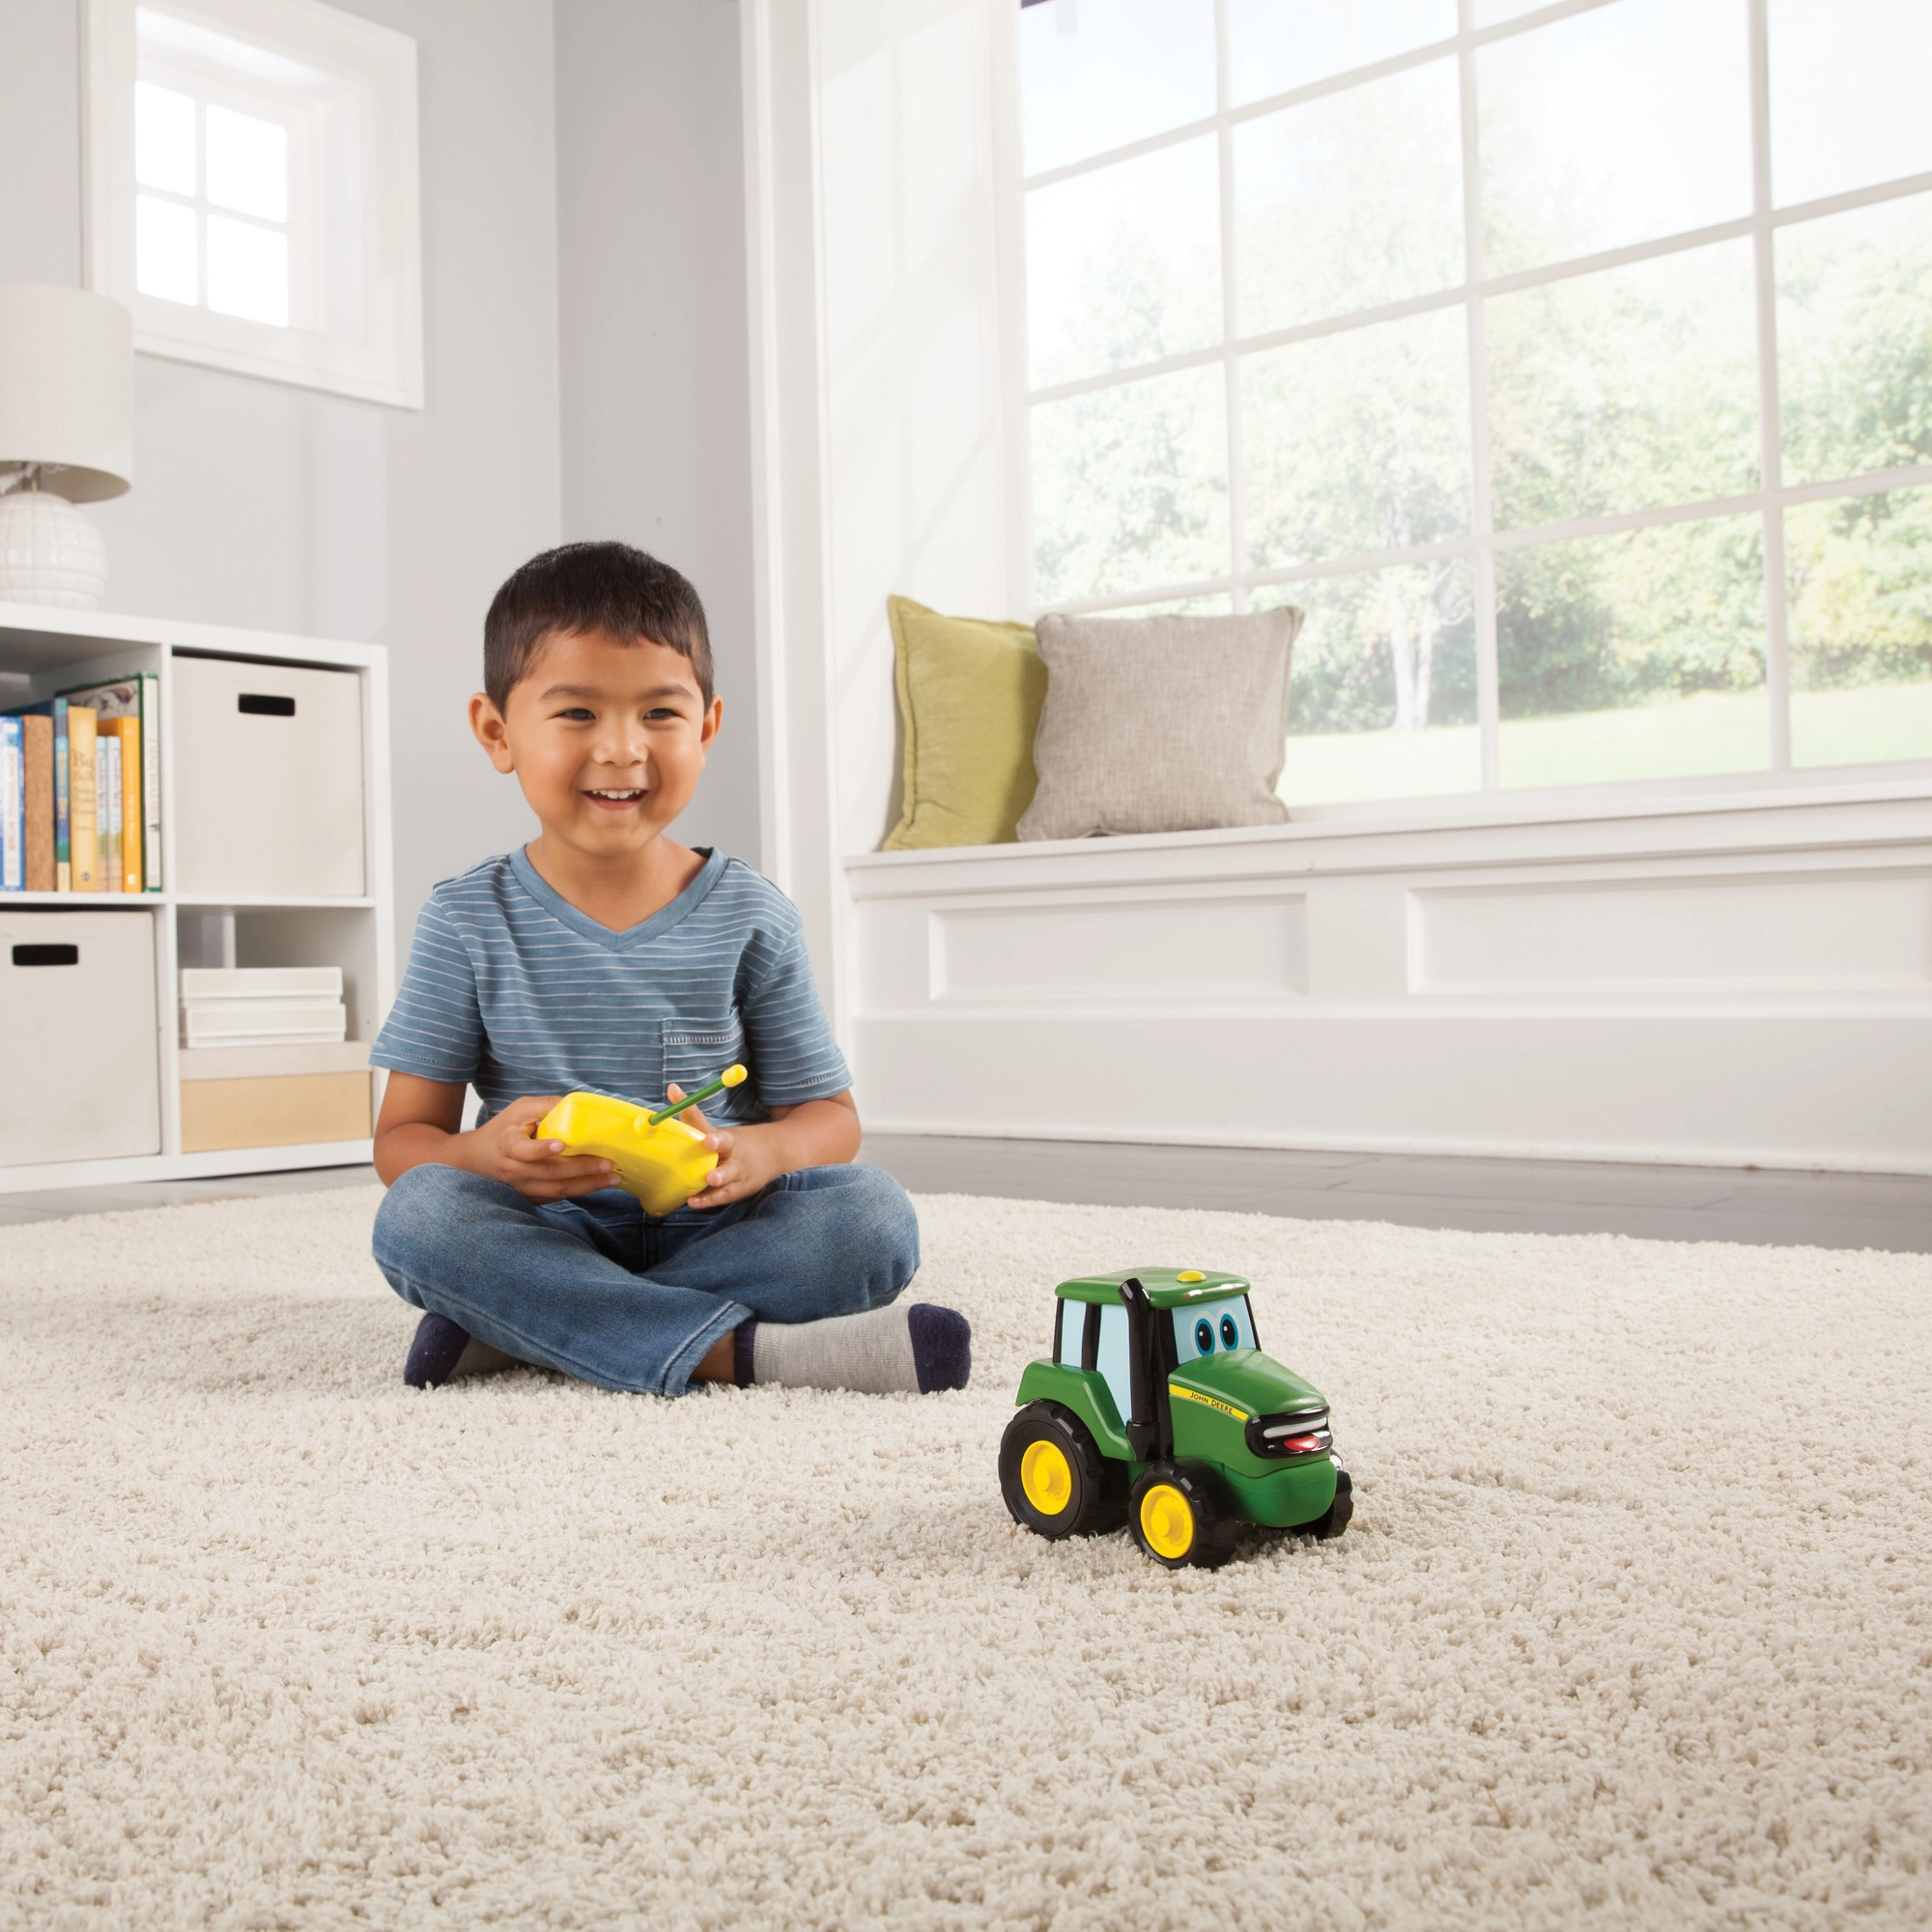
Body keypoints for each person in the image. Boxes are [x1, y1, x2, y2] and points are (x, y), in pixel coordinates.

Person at [367, 541, 969, 1399]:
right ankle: (741, 1354)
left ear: (706, 727)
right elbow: (404, 1145)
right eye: (577, 713)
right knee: (419, 1218)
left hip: (719, 1228)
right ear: (498, 733)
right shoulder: (465, 919)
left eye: (659, 713)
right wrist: (485, 1156)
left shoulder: (752, 915)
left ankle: (530, 1325)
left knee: (872, 1219)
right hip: (543, 1227)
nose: (622, 749)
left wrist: (761, 1150)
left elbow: (830, 1120)